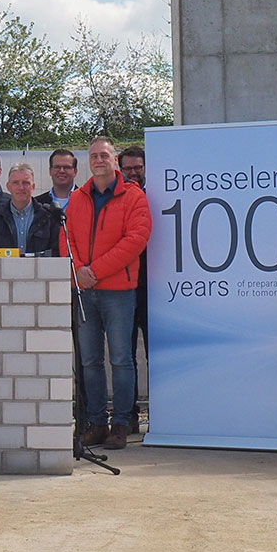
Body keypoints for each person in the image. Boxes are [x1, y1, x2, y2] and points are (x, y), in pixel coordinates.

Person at [59, 137, 151, 450]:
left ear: (115, 160)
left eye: (104, 155)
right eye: (94, 155)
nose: (99, 160)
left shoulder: (133, 196)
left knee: (122, 359)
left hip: (118, 292)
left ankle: (121, 423)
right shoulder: (78, 198)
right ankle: (96, 422)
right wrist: (79, 272)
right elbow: (66, 238)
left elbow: (135, 240)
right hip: (84, 291)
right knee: (89, 361)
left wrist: (94, 270)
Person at [118, 143, 151, 430]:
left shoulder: (159, 196)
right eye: (126, 168)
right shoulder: (114, 199)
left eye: (137, 168)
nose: (132, 173)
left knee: (156, 353)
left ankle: (164, 414)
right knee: (125, 355)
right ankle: (127, 416)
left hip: (155, 288)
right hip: (123, 286)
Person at [0, 162, 61, 256]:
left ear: (33, 187)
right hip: (4, 269)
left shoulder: (49, 217)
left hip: (41, 269)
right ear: (8, 186)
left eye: (26, 183)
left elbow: (56, 253)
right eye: (15, 183)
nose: (21, 187)